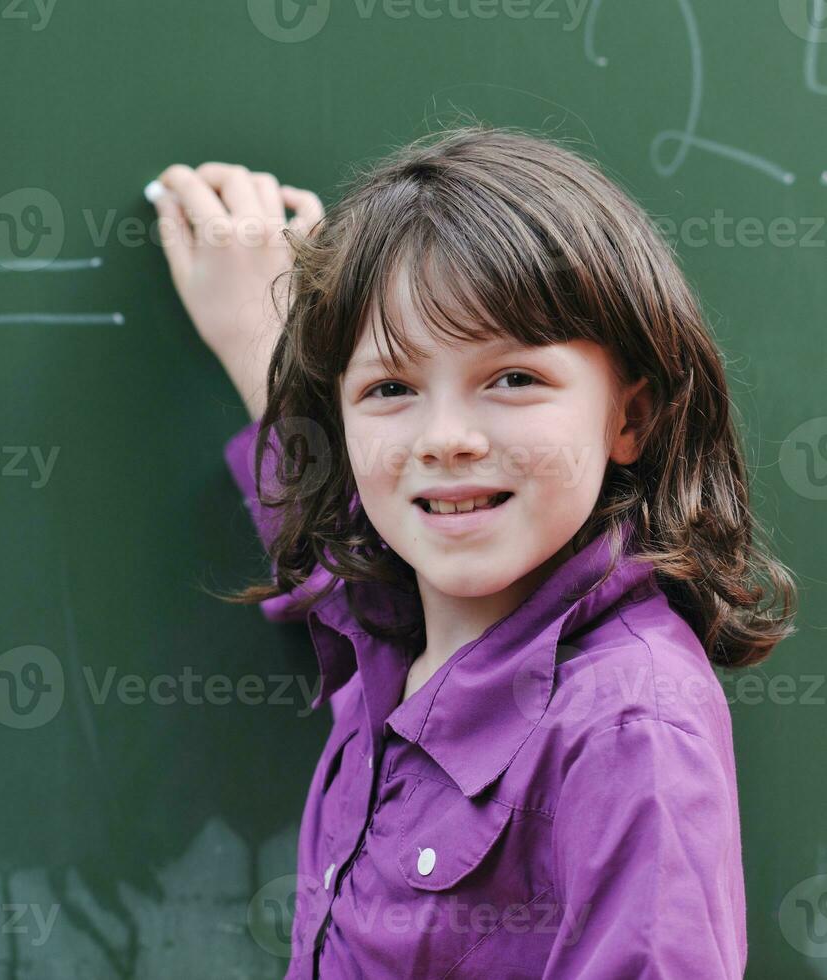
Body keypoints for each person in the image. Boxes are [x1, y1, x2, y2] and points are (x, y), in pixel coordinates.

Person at [150, 125, 797, 978]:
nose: (445, 438)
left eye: (513, 379)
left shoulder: (628, 726)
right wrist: (255, 340)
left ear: (630, 418)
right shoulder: (392, 626)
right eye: (391, 388)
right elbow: (332, 542)